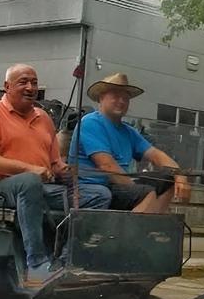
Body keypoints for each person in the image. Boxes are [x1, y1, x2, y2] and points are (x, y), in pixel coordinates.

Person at [0, 64, 110, 281]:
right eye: (23, 82)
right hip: (2, 189)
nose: (30, 87)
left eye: (34, 82)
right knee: (29, 181)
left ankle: (65, 259)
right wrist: (28, 169)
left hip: (42, 188)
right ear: (6, 86)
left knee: (100, 194)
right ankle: (36, 263)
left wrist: (62, 170)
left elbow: (53, 163)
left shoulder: (43, 117)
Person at [69, 72, 191, 212]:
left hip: (117, 186)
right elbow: (107, 166)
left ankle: (154, 222)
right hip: (91, 188)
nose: (121, 101)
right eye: (115, 96)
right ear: (101, 98)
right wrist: (135, 187)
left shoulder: (128, 131)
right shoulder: (90, 123)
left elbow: (156, 155)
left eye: (125, 98)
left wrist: (179, 175)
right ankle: (135, 230)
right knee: (143, 193)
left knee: (167, 181)